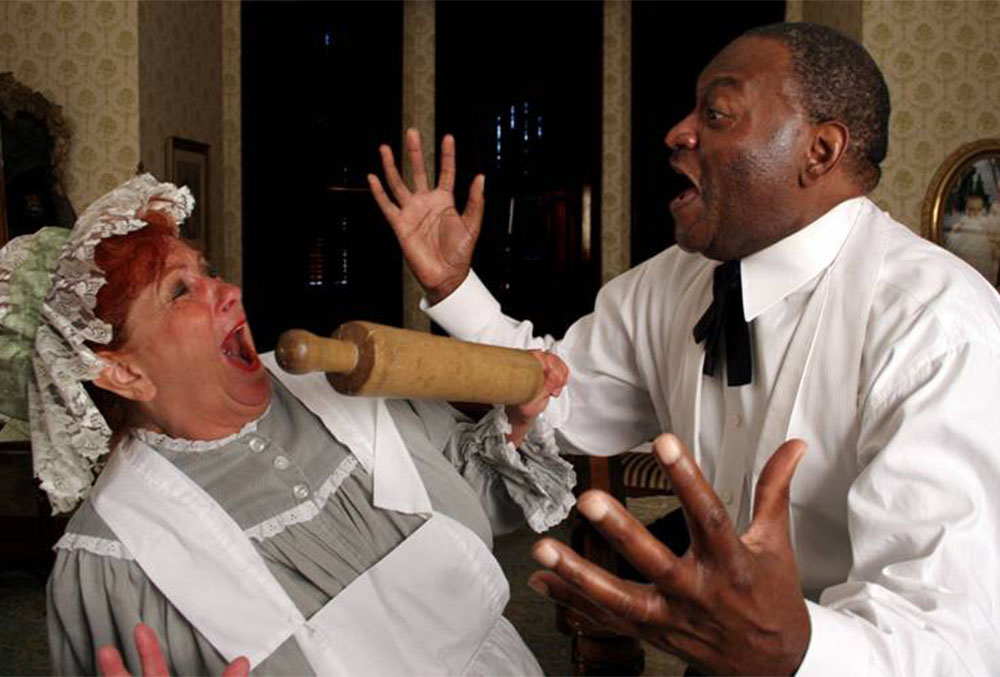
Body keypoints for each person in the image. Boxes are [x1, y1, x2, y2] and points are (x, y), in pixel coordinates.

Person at [370, 22, 1000, 675]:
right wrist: (453, 287)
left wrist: (794, 648)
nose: (677, 131)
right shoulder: (671, 284)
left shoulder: (935, 327)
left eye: (717, 113)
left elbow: (952, 645)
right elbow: (557, 394)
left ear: (820, 149)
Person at [0, 174, 576, 675]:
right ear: (121, 373)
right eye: (180, 292)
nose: (227, 292)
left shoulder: (339, 384)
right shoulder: (114, 558)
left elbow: (472, 501)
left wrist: (518, 423)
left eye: (208, 272)